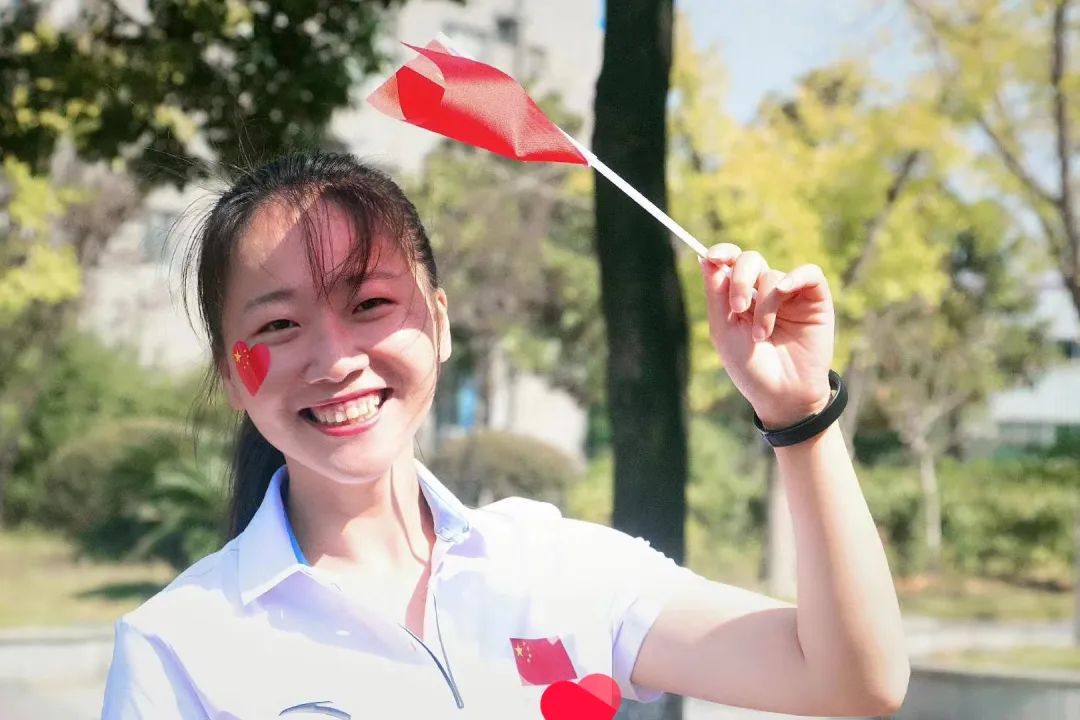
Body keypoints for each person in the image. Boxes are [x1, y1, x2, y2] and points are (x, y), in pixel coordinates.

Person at [101, 152, 909, 718]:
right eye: (279, 324)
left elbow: (850, 682)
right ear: (232, 371)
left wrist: (799, 414)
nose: (336, 359)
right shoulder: (177, 647)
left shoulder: (553, 568)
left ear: (440, 322)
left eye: (370, 304)